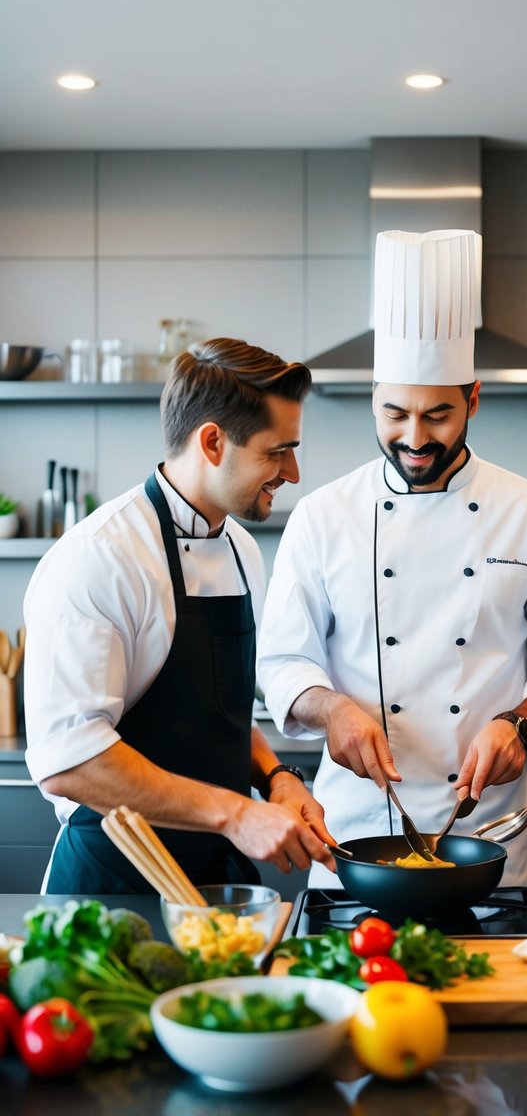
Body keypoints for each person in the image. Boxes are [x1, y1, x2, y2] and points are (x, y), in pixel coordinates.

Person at [258, 230, 527, 889]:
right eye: (394, 413)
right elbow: (281, 660)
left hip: (487, 833)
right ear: (372, 401)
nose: (413, 439)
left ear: (472, 399)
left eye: (437, 414)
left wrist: (519, 726)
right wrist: (331, 709)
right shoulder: (324, 515)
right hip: (352, 830)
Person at [24, 337, 336, 895]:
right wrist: (235, 813)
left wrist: (275, 777)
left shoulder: (241, 548)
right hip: (113, 886)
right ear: (213, 442)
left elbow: (213, 716)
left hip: (212, 884)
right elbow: (68, 760)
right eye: (276, 451)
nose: (292, 471)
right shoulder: (99, 558)